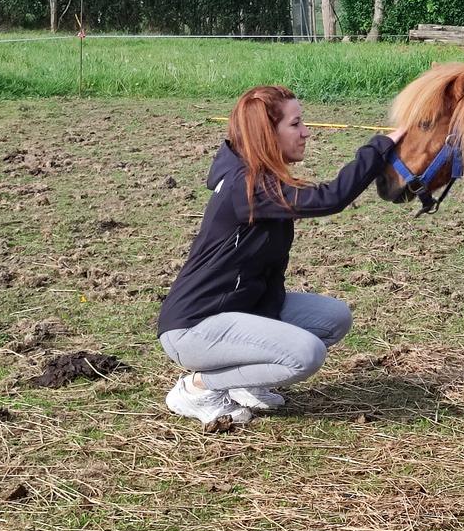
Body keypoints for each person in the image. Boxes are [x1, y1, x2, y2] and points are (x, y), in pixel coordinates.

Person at [157, 84, 404, 428]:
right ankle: (198, 388)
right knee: (306, 354)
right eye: (295, 124)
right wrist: (382, 146)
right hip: (195, 326)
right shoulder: (249, 187)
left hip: (239, 309)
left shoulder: (259, 179)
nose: (306, 132)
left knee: (334, 317)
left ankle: (246, 382)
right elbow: (330, 198)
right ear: (266, 134)